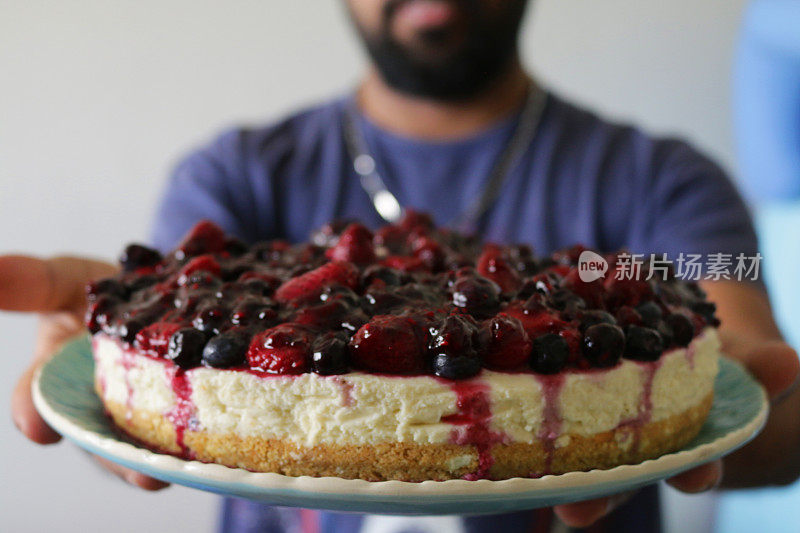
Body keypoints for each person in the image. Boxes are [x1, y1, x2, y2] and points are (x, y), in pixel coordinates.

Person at [5, 0, 800, 531]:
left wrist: (747, 404)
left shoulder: (662, 182)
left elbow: (758, 402)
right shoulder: (237, 175)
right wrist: (112, 348)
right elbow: (160, 407)